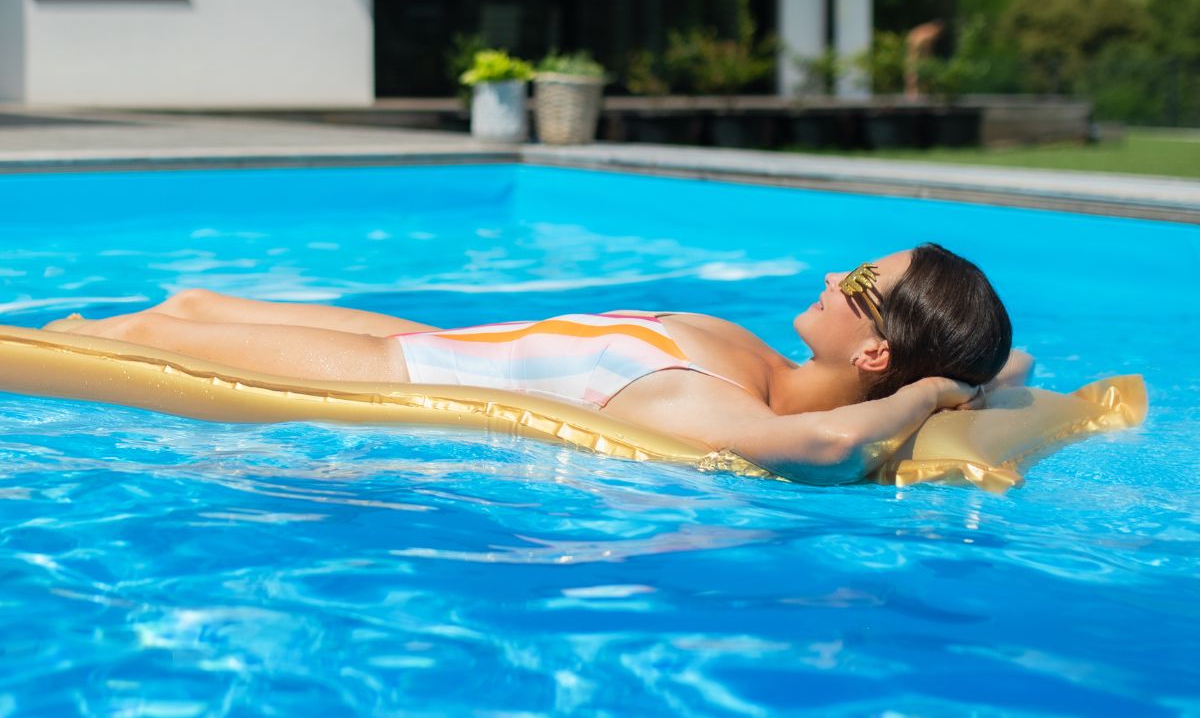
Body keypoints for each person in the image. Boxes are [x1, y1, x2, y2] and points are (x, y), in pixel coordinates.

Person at [46, 243, 1031, 483]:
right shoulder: (769, 362)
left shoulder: (718, 408)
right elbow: (1013, 363)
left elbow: (820, 442)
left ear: (873, 351)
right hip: (423, 340)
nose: (831, 272)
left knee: (139, 335)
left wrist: (942, 389)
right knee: (192, 303)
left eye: (857, 280)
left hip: (395, 375)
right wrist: (983, 379)